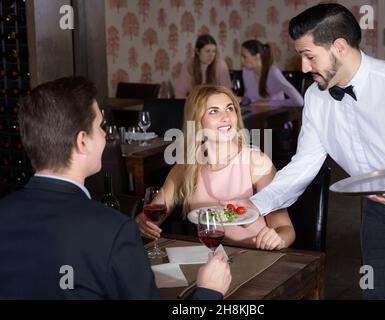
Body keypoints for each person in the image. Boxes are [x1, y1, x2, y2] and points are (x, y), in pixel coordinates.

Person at [246, 3, 385, 300]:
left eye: (309, 56)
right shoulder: (315, 97)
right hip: (375, 207)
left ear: (339, 47)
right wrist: (254, 206)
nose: (304, 68)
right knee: (373, 291)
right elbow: (304, 164)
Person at [0, 77, 231, 299]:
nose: (104, 135)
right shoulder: (115, 231)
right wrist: (209, 291)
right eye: (100, 126)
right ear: (82, 142)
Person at [136, 85, 295, 250]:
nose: (226, 117)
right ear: (197, 123)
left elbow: (286, 229)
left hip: (256, 254)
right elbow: (152, 217)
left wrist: (279, 238)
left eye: (229, 108)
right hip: (210, 257)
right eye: (214, 111)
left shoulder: (256, 162)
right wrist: (143, 223)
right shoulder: (185, 168)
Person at [240, 39, 304, 107]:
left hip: (275, 115)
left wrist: (268, 104)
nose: (241, 60)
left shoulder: (273, 72)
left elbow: (299, 101)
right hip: (256, 115)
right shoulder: (246, 72)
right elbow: (249, 98)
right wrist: (242, 99)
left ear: (257, 56)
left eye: (244, 57)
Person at [175, 34, 232, 98]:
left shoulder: (221, 65)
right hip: (194, 105)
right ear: (197, 51)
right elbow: (179, 92)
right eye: (207, 51)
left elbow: (227, 93)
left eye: (214, 51)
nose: (211, 55)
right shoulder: (189, 65)